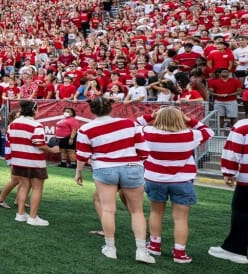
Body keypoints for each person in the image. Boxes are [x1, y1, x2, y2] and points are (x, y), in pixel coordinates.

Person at [75, 97, 153, 263]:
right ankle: (141, 251)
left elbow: (82, 155)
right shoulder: (130, 124)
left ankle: (110, 248)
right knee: (137, 211)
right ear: (111, 108)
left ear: (92, 110)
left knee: (108, 210)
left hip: (105, 168)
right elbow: (143, 150)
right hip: (131, 166)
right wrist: (137, 162)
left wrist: (78, 172)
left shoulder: (86, 128)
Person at [142, 106, 213, 263]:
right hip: (182, 180)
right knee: (181, 219)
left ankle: (154, 245)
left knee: (156, 213)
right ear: (180, 118)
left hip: (155, 178)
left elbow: (134, 125)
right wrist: (189, 120)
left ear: (157, 118)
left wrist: (150, 116)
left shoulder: (148, 132)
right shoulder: (191, 134)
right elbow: (208, 131)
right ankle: (180, 253)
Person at [6, 100, 58, 226]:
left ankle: (21, 214)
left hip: (18, 160)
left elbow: (9, 140)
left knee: (23, 186)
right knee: (37, 188)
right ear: (34, 110)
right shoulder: (36, 125)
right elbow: (39, 143)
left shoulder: (13, 124)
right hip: (34, 161)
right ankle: (33, 217)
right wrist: (52, 150)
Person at [210, 115, 248, 264]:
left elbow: (232, 152)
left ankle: (235, 249)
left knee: (242, 212)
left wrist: (228, 172)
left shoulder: (243, 125)